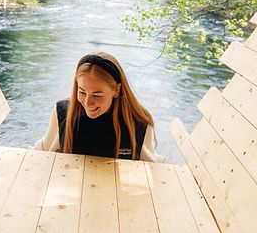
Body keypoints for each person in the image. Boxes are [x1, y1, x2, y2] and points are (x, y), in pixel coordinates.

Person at [33, 51, 166, 162]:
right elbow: (44, 149)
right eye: (82, 92)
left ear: (116, 90)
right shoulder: (63, 112)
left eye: (97, 95)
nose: (87, 102)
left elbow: (152, 167)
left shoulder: (139, 122)